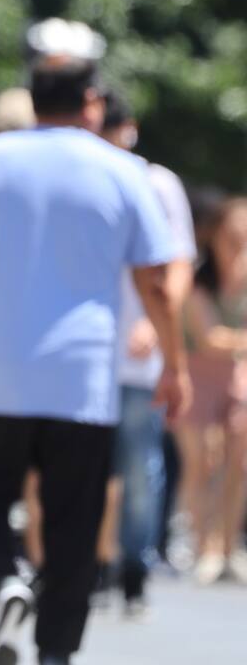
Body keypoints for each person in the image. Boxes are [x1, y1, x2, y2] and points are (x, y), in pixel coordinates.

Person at [0, 55, 191, 665]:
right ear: (91, 103)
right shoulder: (122, 171)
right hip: (82, 381)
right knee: (74, 522)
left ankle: (5, 580)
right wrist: (175, 365)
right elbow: (157, 283)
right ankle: (56, 653)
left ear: (33, 99)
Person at [92, 91, 196, 614]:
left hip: (135, 356)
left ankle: (134, 565)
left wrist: (158, 328)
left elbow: (176, 262)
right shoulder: (83, 180)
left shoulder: (156, 184)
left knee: (138, 468)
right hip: (85, 355)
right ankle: (92, 566)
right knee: (84, 464)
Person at [177, 196, 247, 584]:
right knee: (202, 461)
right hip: (197, 376)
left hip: (238, 376)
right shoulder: (197, 278)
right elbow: (207, 339)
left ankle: (226, 545)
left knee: (238, 463)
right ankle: (202, 543)